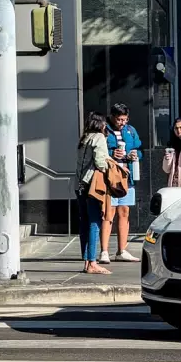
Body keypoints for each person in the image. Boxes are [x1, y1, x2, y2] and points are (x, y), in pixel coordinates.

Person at [99, 103, 142, 264]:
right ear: (112, 116)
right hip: (110, 178)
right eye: (119, 119)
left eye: (125, 119)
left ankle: (122, 250)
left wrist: (135, 154)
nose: (122, 122)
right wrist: (112, 153)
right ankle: (104, 251)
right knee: (108, 214)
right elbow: (98, 151)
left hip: (127, 177)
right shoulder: (104, 130)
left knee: (124, 212)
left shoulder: (130, 130)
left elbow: (139, 149)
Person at [75, 111, 111, 275]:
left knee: (84, 223)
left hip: (79, 185)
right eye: (104, 123)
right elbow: (100, 162)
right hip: (92, 186)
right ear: (100, 124)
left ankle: (86, 261)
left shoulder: (84, 138)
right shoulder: (99, 138)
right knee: (95, 222)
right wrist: (113, 166)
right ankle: (92, 262)